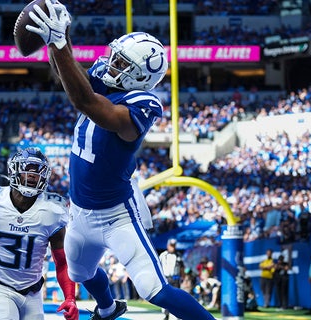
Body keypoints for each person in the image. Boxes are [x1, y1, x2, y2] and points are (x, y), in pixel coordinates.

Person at [26, 2, 215, 319]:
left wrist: (60, 42)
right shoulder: (110, 78)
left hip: (117, 216)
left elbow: (85, 101)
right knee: (80, 274)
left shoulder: (143, 104)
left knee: (155, 291)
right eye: (117, 56)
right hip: (81, 211)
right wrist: (56, 40)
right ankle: (109, 307)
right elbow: (68, 76)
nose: (112, 64)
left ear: (140, 76)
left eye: (123, 63)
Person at [0, 148, 79, 320]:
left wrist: (70, 296)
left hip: (33, 292)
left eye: (38, 170)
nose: (33, 174)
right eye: (28, 168)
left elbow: (62, 261)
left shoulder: (53, 211)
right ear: (13, 170)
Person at [159, 238, 185, 319]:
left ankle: (177, 315)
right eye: (171, 246)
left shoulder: (178, 256)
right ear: (168, 245)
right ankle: (166, 314)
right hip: (166, 278)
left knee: (177, 297)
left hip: (175, 278)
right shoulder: (163, 255)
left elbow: (182, 268)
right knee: (166, 297)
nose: (173, 248)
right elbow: (159, 266)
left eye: (174, 246)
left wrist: (183, 278)